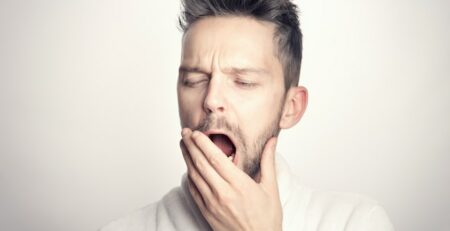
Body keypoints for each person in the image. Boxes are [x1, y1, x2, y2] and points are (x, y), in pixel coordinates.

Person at [101, 0, 395, 230]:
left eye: (243, 82)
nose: (212, 100)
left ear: (290, 108)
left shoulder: (357, 223)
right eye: (194, 80)